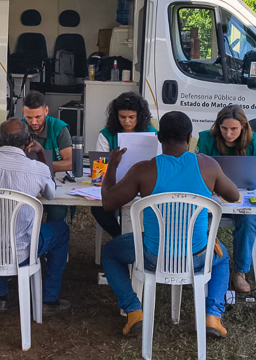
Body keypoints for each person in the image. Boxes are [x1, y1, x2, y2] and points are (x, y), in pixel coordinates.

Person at [100, 111, 240, 338]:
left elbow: (108, 202)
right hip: (198, 256)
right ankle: (213, 316)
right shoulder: (208, 165)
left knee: (110, 252)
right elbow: (233, 195)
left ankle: (134, 311)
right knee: (222, 258)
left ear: (159, 137)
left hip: (152, 256)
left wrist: (112, 166)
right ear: (190, 137)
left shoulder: (143, 170)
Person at [0, 118, 71, 317]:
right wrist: (41, 155)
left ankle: (0, 296)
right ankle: (49, 298)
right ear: (28, 142)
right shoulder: (38, 168)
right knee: (61, 231)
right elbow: (51, 193)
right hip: (21, 252)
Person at [196, 104, 256, 294]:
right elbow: (196, 168)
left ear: (243, 127)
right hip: (213, 197)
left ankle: (240, 272)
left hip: (243, 197)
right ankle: (204, 264)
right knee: (197, 217)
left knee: (248, 219)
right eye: (224, 128)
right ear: (218, 126)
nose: (228, 134)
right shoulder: (207, 139)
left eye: (234, 129)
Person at [93, 92, 157, 238]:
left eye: (131, 117)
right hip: (116, 184)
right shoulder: (106, 134)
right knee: (98, 208)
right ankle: (119, 236)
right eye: (122, 117)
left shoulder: (152, 134)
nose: (127, 121)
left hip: (144, 185)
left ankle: (138, 237)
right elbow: (100, 165)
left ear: (139, 116)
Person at [22, 91, 72, 223]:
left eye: (38, 117)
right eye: (29, 117)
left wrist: (39, 167)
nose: (33, 122)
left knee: (57, 209)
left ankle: (48, 234)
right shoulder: (20, 128)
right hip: (26, 182)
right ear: (23, 113)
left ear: (46, 111)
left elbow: (70, 162)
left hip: (54, 181)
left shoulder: (59, 127)